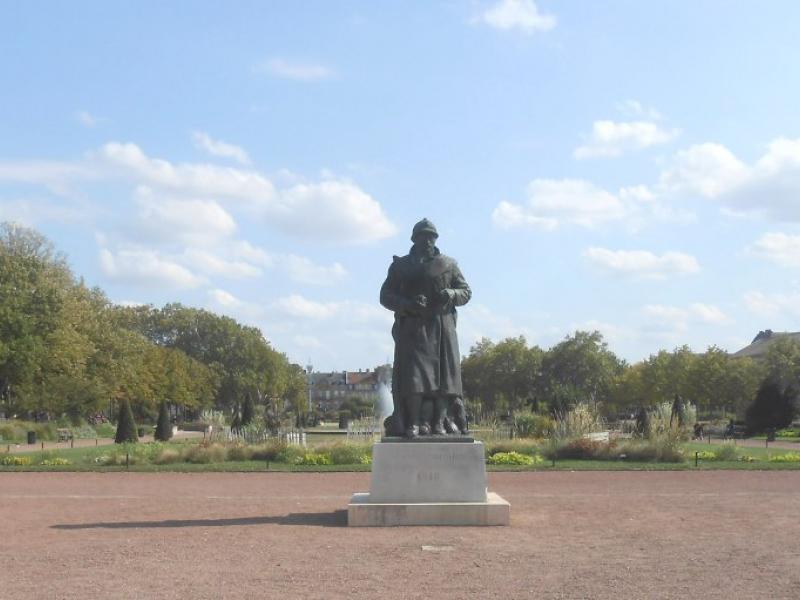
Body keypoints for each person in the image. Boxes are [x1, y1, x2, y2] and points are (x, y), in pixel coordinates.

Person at [380, 218, 471, 438]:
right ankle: (412, 422)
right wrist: (407, 304)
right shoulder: (401, 266)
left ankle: (440, 422)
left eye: (431, 237)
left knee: (445, 380)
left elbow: (466, 292)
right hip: (414, 328)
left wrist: (451, 294)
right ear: (414, 239)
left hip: (443, 329)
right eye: (423, 237)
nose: (428, 241)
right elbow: (385, 296)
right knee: (415, 378)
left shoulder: (448, 264)